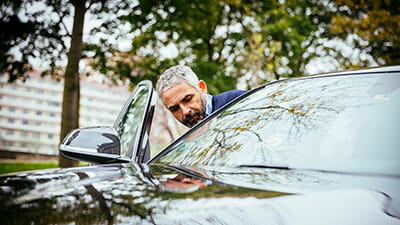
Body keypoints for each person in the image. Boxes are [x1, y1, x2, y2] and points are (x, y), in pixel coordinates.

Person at [156, 65, 246, 127]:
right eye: (175, 109)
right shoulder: (190, 146)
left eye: (187, 99)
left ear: (202, 88)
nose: (185, 112)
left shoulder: (237, 101)